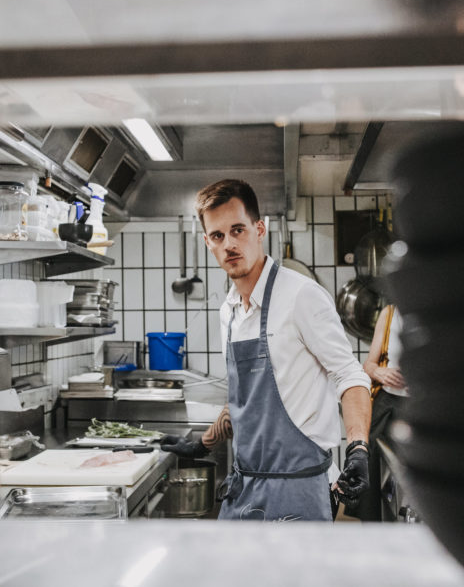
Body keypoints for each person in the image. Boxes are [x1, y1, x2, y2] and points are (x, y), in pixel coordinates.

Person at [160, 179, 372, 521]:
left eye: (238, 230)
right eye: (217, 236)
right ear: (207, 243)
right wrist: (204, 443)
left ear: (260, 229)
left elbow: (350, 375)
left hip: (300, 489)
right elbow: (243, 400)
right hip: (244, 486)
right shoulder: (227, 310)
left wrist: (358, 448)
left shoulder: (301, 296)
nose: (229, 244)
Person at [345, 303, 408, 521]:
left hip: (420, 404)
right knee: (370, 458)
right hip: (387, 403)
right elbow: (369, 365)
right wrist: (380, 372)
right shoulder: (389, 313)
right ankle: (370, 523)